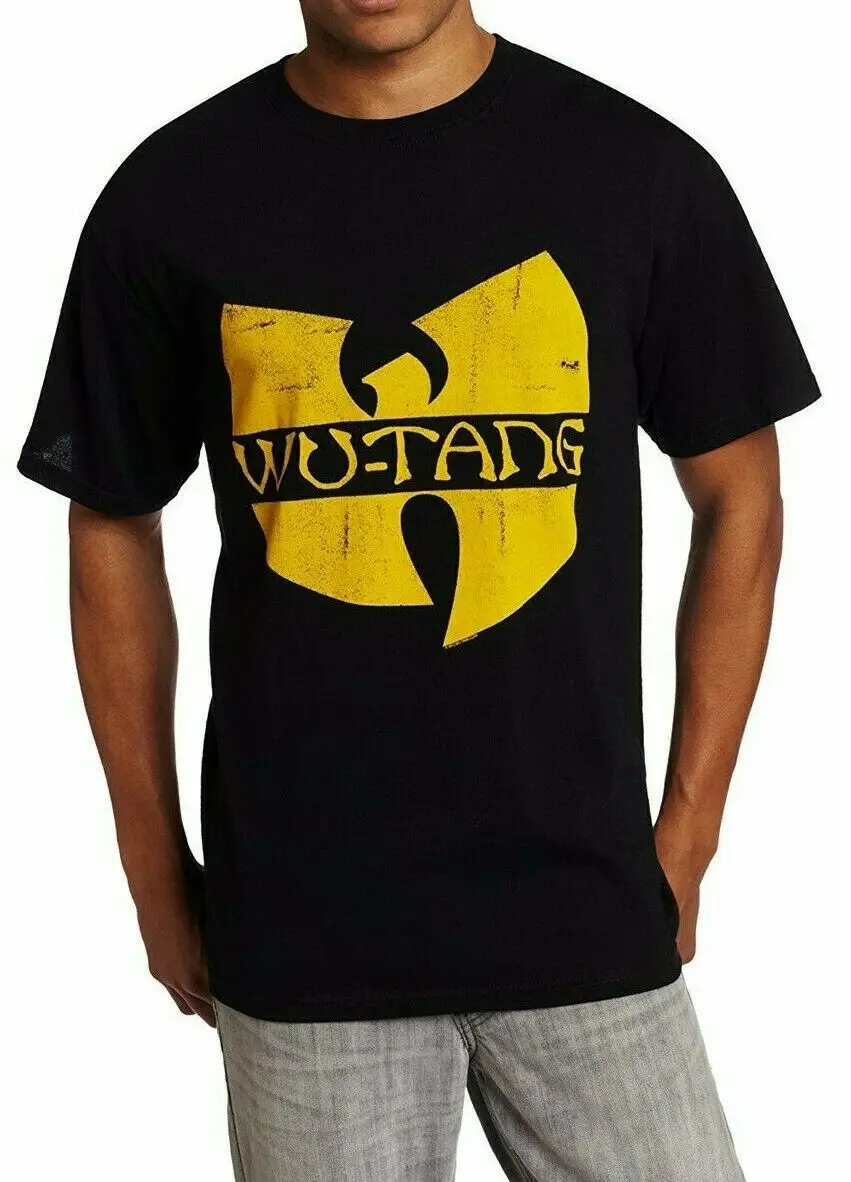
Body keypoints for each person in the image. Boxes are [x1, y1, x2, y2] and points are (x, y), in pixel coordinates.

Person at [17, 1, 821, 1178]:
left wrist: (687, 834)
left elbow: (740, 495)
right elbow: (109, 518)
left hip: (585, 905)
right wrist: (150, 866)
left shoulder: (635, 172)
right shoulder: (174, 194)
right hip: (300, 929)